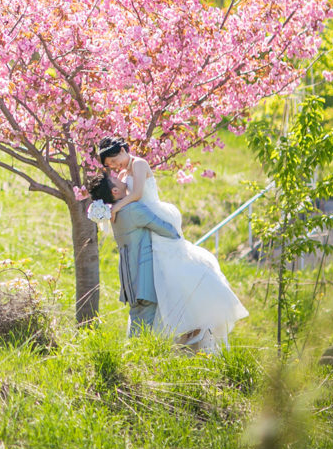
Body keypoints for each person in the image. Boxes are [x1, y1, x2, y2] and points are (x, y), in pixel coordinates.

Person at [96, 136, 249, 352]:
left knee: (175, 269)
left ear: (122, 149)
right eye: (109, 165)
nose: (114, 166)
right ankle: (175, 332)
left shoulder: (138, 164)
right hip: (145, 224)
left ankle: (195, 321)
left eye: (113, 160)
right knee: (163, 276)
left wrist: (116, 207)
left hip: (155, 215)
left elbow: (138, 194)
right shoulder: (122, 175)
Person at [86, 173, 180, 335]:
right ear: (115, 190)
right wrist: (179, 235)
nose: (120, 178)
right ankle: (137, 355)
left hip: (129, 277)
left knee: (137, 319)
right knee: (145, 325)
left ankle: (132, 354)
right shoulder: (133, 209)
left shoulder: (115, 215)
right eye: (115, 179)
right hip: (143, 275)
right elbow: (166, 229)